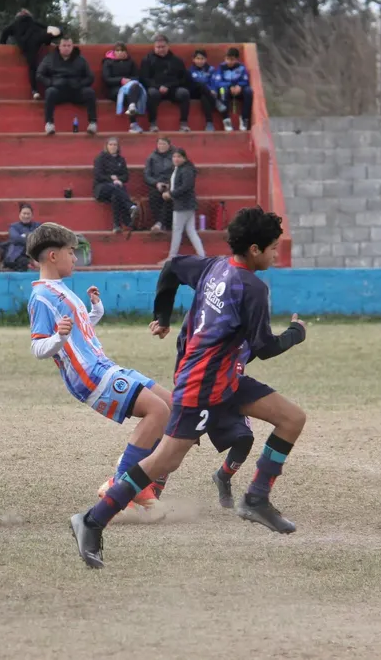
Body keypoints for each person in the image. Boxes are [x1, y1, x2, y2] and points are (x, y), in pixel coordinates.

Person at [70, 207, 308, 568]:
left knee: (291, 418)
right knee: (165, 459)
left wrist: (162, 317)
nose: (277, 254)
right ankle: (92, 520)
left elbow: (171, 268)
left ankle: (257, 498)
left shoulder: (215, 266)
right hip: (203, 387)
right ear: (256, 249)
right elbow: (264, 348)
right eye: (274, 248)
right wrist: (296, 334)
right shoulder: (253, 287)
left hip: (225, 378)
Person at [27, 223, 173, 513]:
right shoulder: (41, 296)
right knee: (158, 412)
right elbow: (38, 348)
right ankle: (122, 483)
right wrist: (58, 337)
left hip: (106, 366)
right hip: (91, 376)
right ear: (53, 256)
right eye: (71, 252)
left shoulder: (61, 291)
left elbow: (77, 333)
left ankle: (145, 485)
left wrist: (95, 312)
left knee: (174, 408)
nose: (75, 259)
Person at [36, 36, 97, 136]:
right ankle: (49, 123)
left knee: (89, 92)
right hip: (58, 90)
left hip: (76, 91)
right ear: (59, 47)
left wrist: (80, 84)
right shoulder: (50, 58)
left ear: (72, 47)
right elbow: (39, 74)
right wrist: (51, 83)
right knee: (50, 92)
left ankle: (92, 123)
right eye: (64, 45)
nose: (66, 48)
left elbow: (90, 77)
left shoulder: (80, 59)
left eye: (69, 45)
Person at [0, 8, 61, 100]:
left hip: (26, 46)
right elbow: (46, 28)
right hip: (37, 40)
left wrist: (2, 44)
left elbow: (5, 32)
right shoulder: (33, 22)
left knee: (32, 67)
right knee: (50, 33)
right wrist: (48, 42)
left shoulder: (15, 24)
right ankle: (49, 40)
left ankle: (35, 91)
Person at [139, 35, 190, 133]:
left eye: (163, 47)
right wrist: (158, 87)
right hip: (155, 88)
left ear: (168, 46)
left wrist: (169, 86)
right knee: (152, 93)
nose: (160, 49)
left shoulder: (177, 60)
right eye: (158, 47)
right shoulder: (147, 60)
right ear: (154, 47)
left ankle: (184, 123)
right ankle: (152, 124)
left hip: (173, 89)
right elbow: (144, 78)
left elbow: (183, 79)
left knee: (184, 93)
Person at [164, 148, 205, 259]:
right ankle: (202, 256)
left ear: (184, 158)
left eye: (178, 157)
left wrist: (171, 194)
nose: (176, 159)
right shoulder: (181, 168)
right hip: (186, 204)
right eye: (174, 157)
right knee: (191, 230)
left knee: (177, 230)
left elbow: (186, 186)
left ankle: (171, 257)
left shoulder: (186, 170)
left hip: (183, 204)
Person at [94, 137, 139, 234]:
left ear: (118, 147)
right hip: (101, 188)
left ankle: (117, 225)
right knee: (117, 187)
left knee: (116, 196)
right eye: (110, 144)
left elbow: (126, 176)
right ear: (106, 146)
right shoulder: (100, 158)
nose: (113, 147)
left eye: (115, 145)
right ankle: (130, 208)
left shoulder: (121, 160)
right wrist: (112, 179)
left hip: (116, 189)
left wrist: (118, 180)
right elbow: (98, 176)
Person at [102, 42, 145, 134]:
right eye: (117, 50)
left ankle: (132, 107)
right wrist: (121, 80)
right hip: (114, 89)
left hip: (130, 87)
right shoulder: (108, 62)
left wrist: (129, 80)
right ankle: (133, 123)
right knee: (131, 95)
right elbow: (107, 79)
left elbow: (137, 76)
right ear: (114, 52)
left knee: (135, 87)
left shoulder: (131, 62)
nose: (120, 52)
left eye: (122, 50)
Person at [215, 48, 253, 132]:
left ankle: (244, 119)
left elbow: (245, 80)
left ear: (236, 59)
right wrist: (229, 86)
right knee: (222, 91)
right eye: (227, 59)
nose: (229, 62)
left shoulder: (242, 68)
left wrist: (240, 86)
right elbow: (217, 82)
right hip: (226, 89)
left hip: (238, 90)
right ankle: (226, 119)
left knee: (249, 91)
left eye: (232, 60)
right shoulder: (221, 67)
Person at [188, 49, 224, 132]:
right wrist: (209, 90)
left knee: (205, 97)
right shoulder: (190, 70)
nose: (200, 61)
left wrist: (213, 89)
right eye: (198, 58)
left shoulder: (211, 69)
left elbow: (214, 81)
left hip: (208, 93)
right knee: (200, 84)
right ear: (193, 59)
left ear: (206, 59)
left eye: (202, 59)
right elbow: (193, 84)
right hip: (195, 92)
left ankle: (209, 123)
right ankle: (216, 102)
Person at [144, 137, 175, 232]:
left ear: (169, 145)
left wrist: (171, 184)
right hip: (156, 184)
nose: (161, 146)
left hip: (171, 184)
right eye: (160, 144)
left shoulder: (175, 156)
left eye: (164, 144)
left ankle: (161, 223)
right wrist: (156, 183)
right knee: (154, 196)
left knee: (168, 197)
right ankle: (160, 222)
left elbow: (178, 172)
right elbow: (147, 175)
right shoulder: (151, 157)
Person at [2, 203, 40, 271]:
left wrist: (24, 236)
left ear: (32, 216)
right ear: (19, 215)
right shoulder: (13, 227)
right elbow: (15, 239)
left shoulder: (37, 226)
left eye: (28, 214)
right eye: (24, 213)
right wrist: (31, 237)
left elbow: (41, 239)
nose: (26, 216)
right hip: (17, 255)